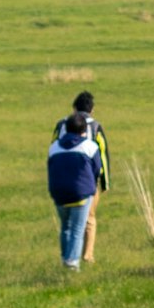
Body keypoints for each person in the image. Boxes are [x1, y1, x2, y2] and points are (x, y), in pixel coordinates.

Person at [46, 90, 106, 269]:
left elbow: (50, 165)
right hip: (81, 192)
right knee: (78, 228)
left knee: (65, 226)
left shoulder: (54, 146)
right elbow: (98, 167)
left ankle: (66, 258)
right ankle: (72, 262)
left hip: (58, 192)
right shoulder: (89, 145)